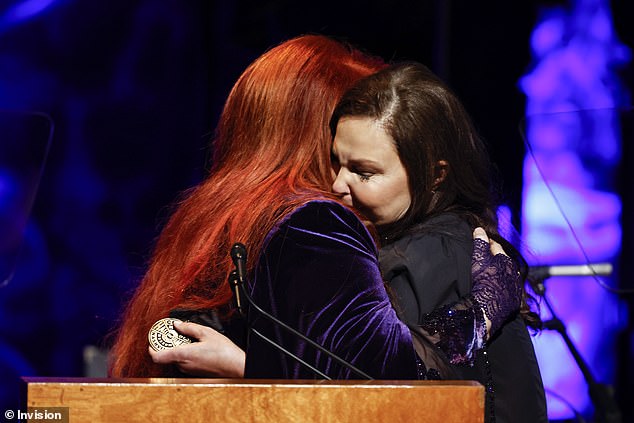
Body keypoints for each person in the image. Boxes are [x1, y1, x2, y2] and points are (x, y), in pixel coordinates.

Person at [110, 35, 521, 380]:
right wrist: (482, 310)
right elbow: (389, 379)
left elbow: (172, 336)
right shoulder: (314, 221)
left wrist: (247, 364)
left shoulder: (216, 216)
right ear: (320, 133)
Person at [328, 62, 547, 422]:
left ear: (435, 174)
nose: (337, 185)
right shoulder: (454, 238)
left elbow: (388, 386)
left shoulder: (432, 253)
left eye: (364, 173)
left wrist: (251, 368)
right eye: (336, 162)